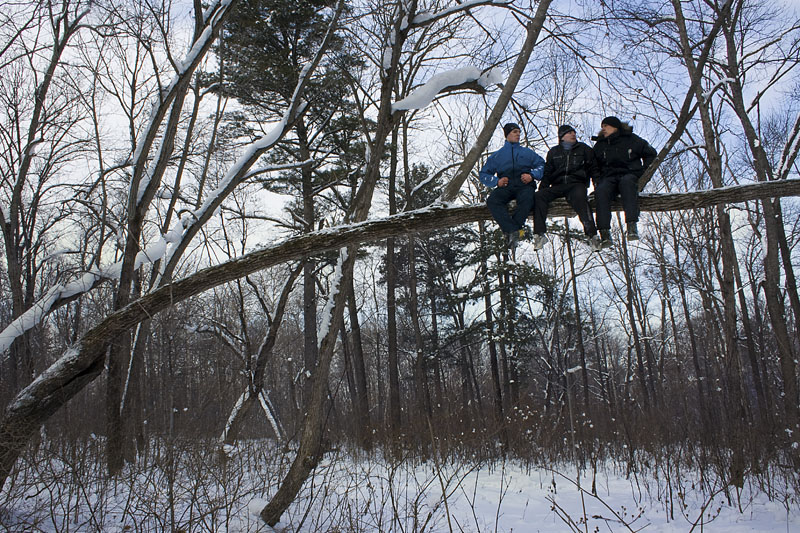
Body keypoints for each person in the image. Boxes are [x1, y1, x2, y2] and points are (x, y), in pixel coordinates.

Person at [532, 125, 600, 252]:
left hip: (576, 184)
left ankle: (592, 235)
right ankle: (539, 234)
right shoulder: (553, 152)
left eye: (574, 132)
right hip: (558, 185)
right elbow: (547, 173)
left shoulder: (584, 149)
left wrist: (597, 186)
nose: (573, 134)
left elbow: (593, 169)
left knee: (580, 198)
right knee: (539, 196)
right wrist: (543, 188)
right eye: (569, 133)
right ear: (562, 136)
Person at [592, 116, 657, 247]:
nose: (603, 129)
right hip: (608, 177)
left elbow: (651, 153)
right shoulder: (600, 144)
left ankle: (632, 226)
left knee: (627, 184)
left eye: (606, 126)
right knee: (601, 192)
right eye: (602, 126)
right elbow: (593, 165)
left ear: (615, 126)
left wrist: (643, 173)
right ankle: (604, 233)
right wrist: (597, 181)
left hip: (629, 174)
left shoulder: (632, 139)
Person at [479, 122, 545, 247]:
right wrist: (496, 181)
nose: (518, 134)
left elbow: (542, 165)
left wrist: (532, 175)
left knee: (527, 199)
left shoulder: (527, 153)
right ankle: (514, 230)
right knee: (493, 200)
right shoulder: (497, 155)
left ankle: (513, 232)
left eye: (519, 132)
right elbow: (483, 174)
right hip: (506, 186)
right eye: (515, 132)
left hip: (524, 185)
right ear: (507, 134)